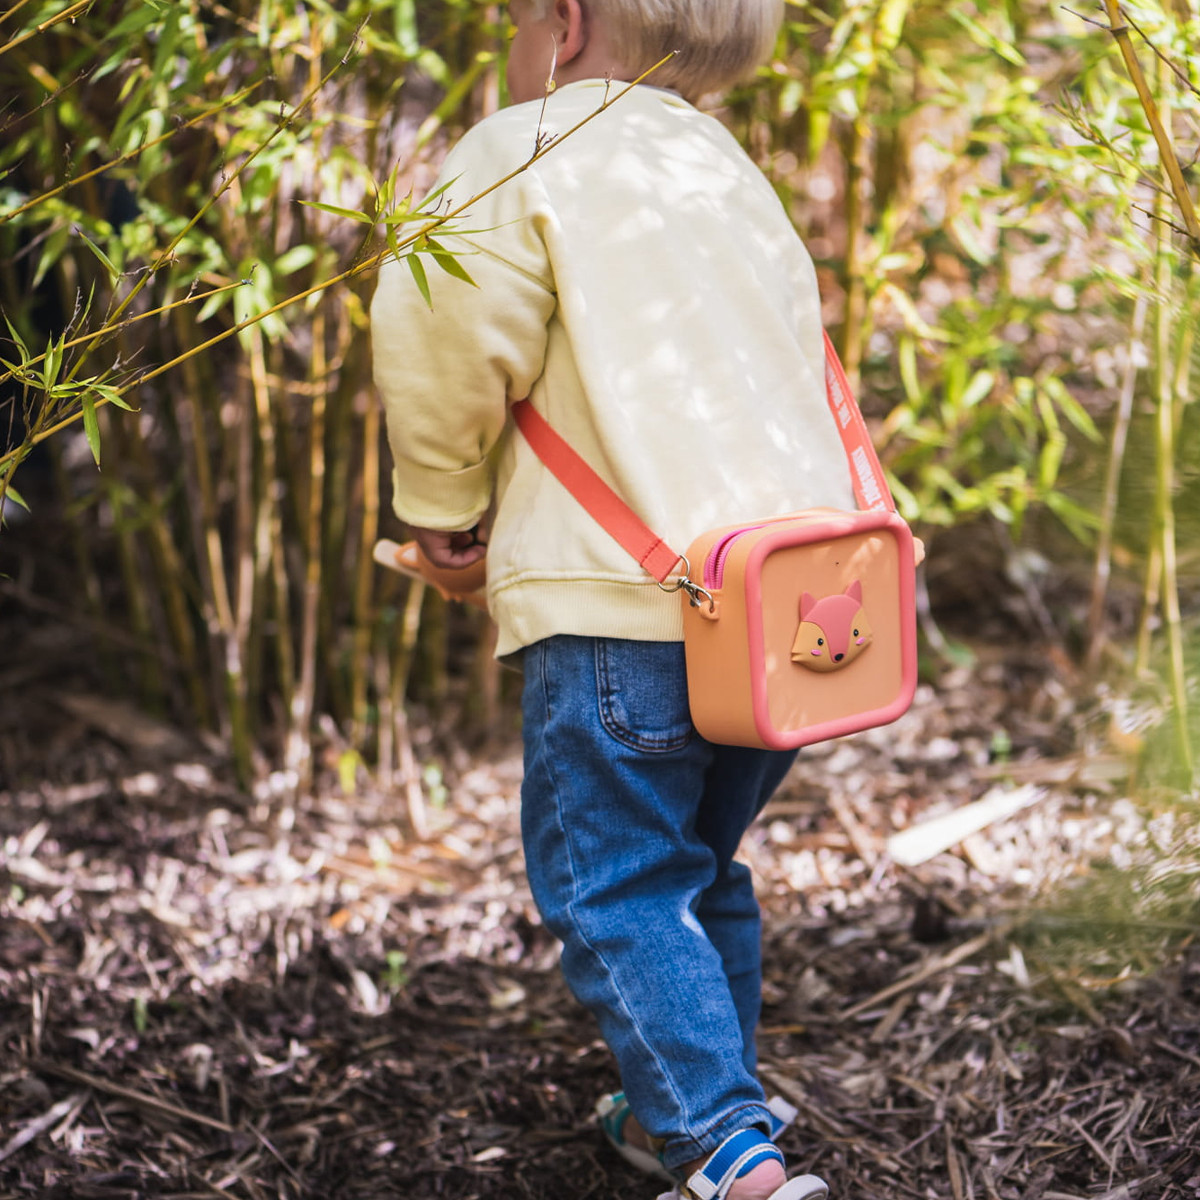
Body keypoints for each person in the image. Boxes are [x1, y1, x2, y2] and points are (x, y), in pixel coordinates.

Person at [370, 2, 852, 1196]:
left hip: (618, 606)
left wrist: (444, 514)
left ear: (567, 24)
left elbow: (443, 341)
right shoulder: (727, 170)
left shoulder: (521, 151)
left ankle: (727, 1153)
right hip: (769, 606)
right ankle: (676, 1109)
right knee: (696, 867)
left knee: (618, 885)